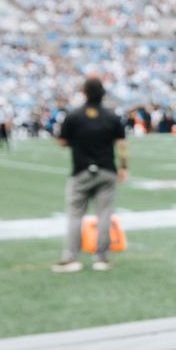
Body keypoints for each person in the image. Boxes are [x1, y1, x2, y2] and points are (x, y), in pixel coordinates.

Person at [52, 77, 127, 273]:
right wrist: (124, 167)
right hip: (106, 169)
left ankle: (71, 258)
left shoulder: (74, 116)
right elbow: (121, 145)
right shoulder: (112, 116)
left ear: (84, 92)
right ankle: (101, 258)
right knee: (104, 215)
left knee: (76, 215)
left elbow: (61, 141)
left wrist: (76, 141)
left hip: (81, 170)